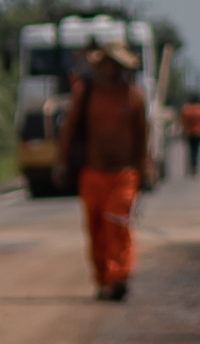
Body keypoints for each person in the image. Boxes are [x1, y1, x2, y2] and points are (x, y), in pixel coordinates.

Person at [66, 32, 153, 302]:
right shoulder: (86, 94)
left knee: (118, 223)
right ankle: (104, 279)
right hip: (92, 172)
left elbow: (142, 136)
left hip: (124, 174)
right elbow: (69, 129)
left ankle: (119, 275)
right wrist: (61, 162)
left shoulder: (135, 98)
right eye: (109, 63)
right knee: (97, 228)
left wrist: (146, 167)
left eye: (119, 64)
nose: (113, 69)